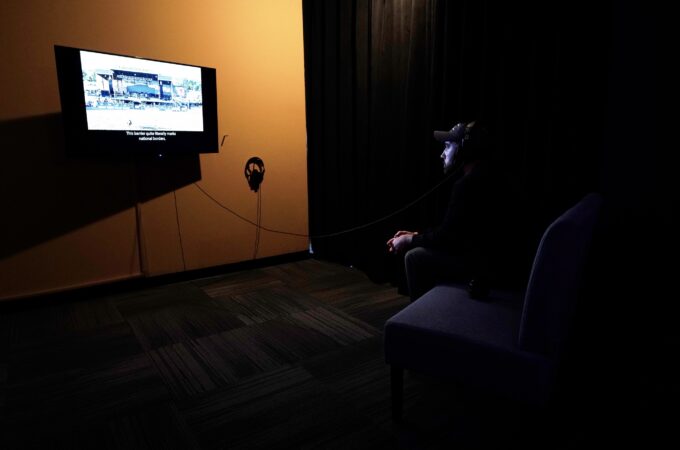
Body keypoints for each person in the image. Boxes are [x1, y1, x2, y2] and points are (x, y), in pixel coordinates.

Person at [387, 120, 508, 301]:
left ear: (464, 151)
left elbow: (446, 238)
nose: (442, 154)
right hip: (487, 262)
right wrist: (416, 235)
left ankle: (422, 321)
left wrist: (409, 239)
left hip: (483, 269)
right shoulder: (485, 177)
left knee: (414, 257)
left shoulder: (467, 185)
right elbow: (453, 231)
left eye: (448, 147)